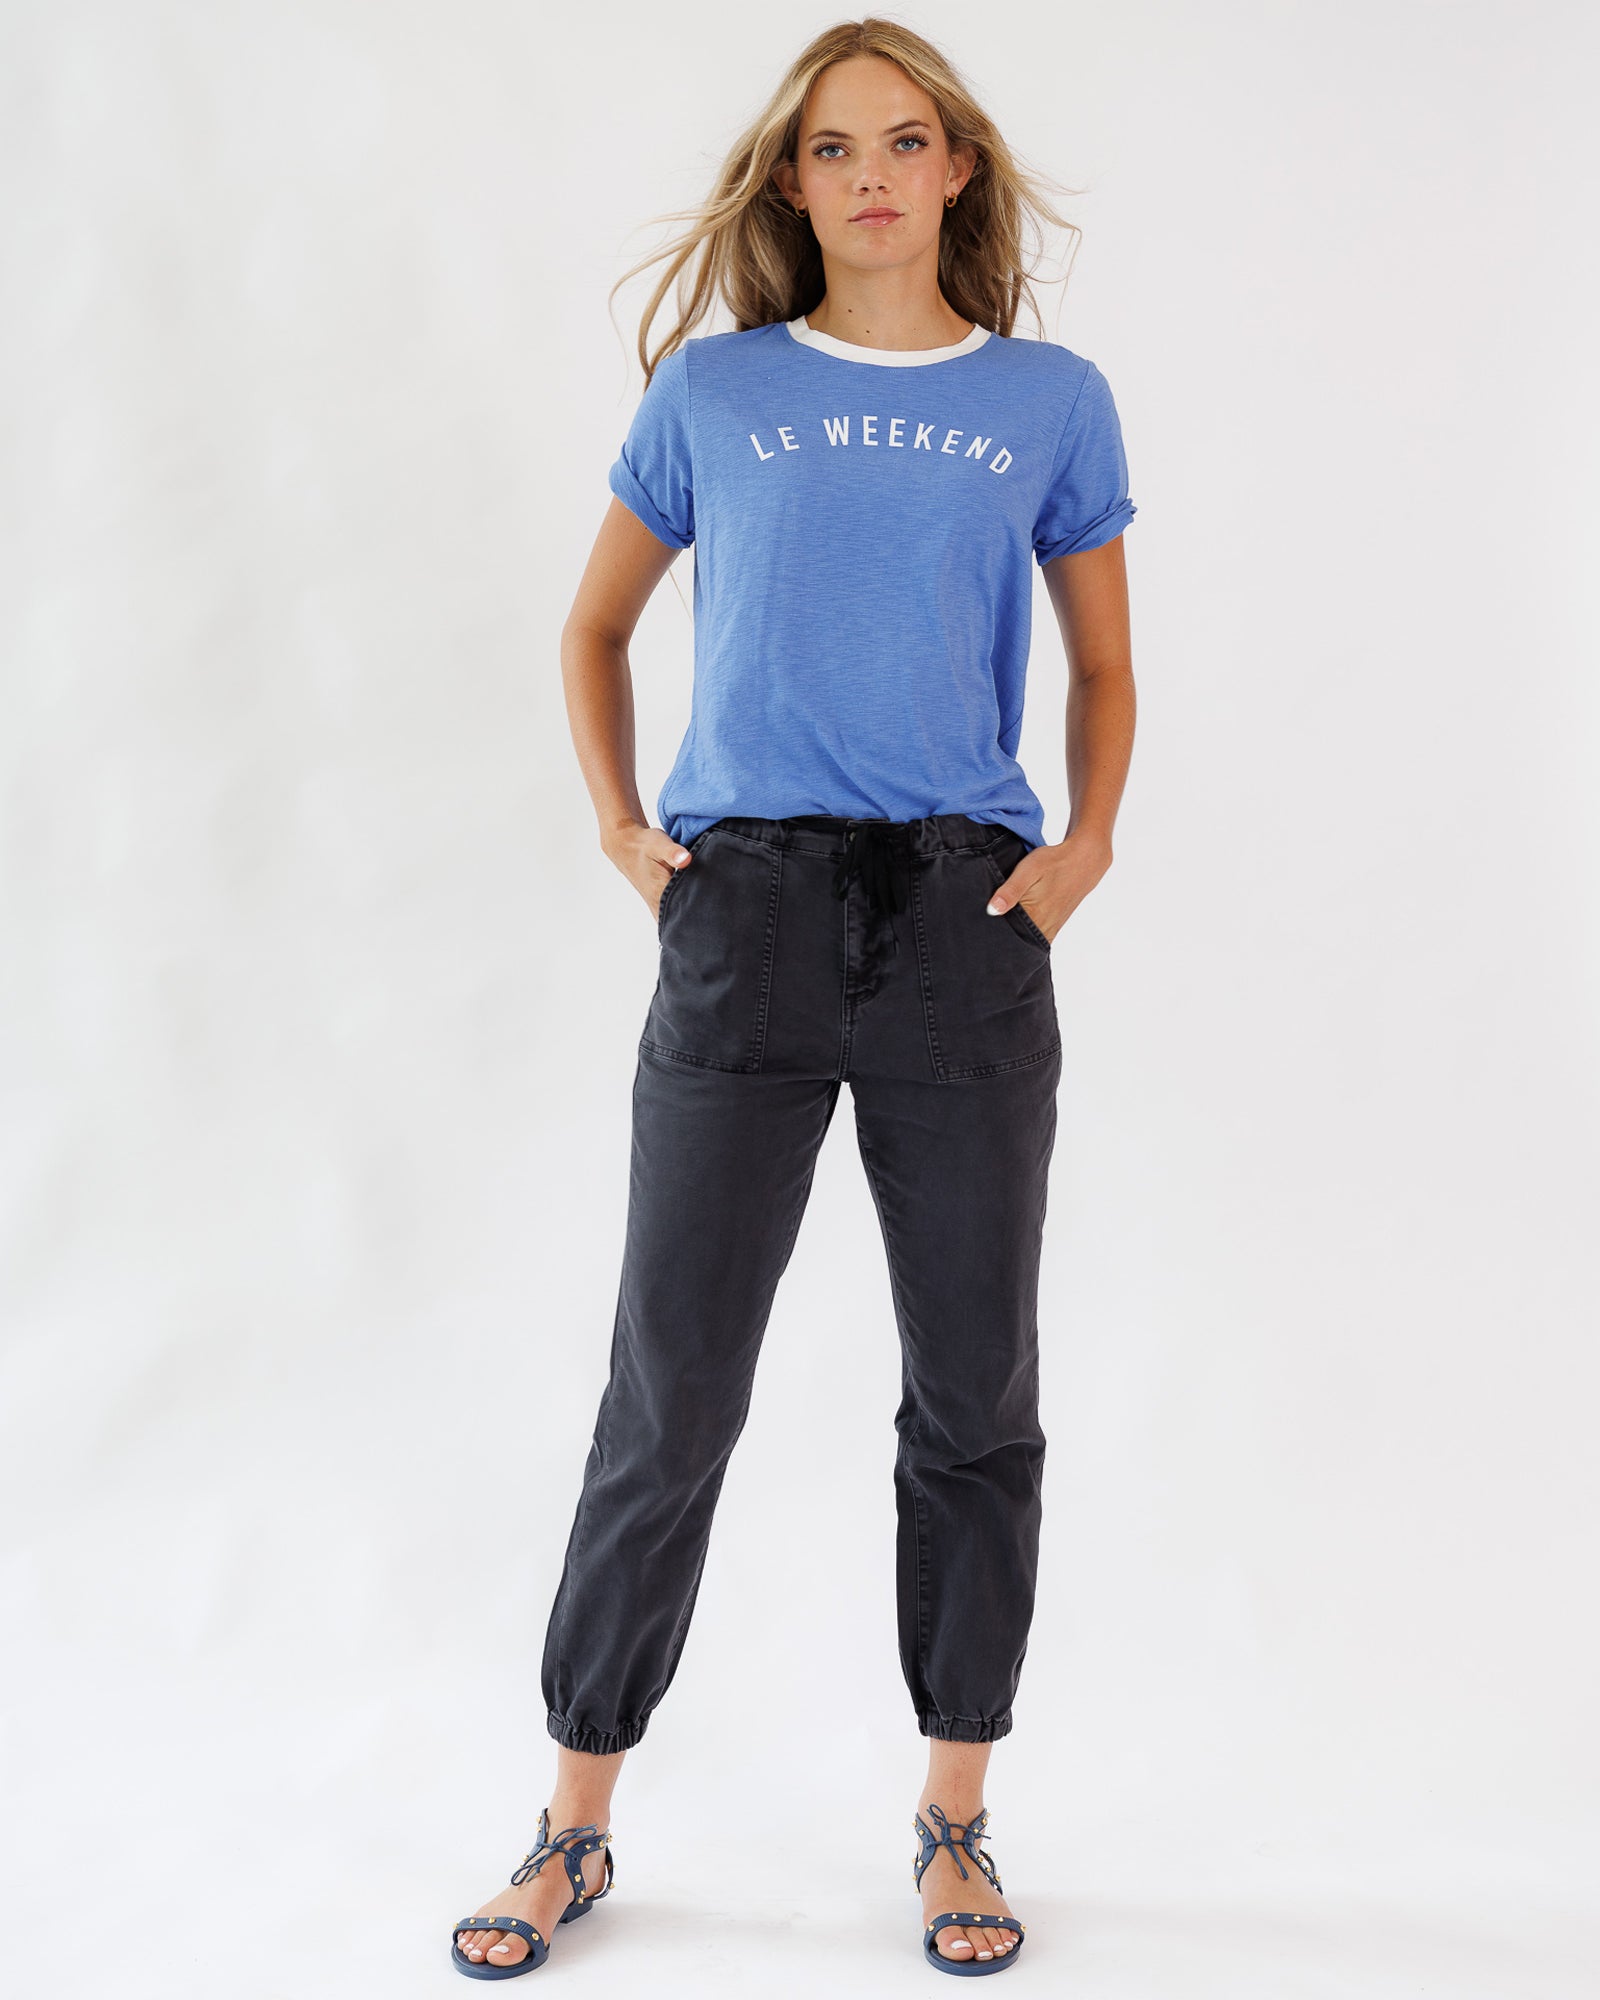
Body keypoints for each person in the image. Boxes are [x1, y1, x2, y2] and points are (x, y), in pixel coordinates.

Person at [450, 17, 1137, 1980]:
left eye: (900, 142)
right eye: (828, 147)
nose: (864, 175)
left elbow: (1099, 666)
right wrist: (618, 828)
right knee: (669, 1390)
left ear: (953, 175)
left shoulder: (1045, 399)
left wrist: (1073, 857)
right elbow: (591, 622)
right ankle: (571, 1822)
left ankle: (952, 1817)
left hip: (955, 917)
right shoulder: (714, 391)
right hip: (737, 917)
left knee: (970, 1390)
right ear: (789, 181)